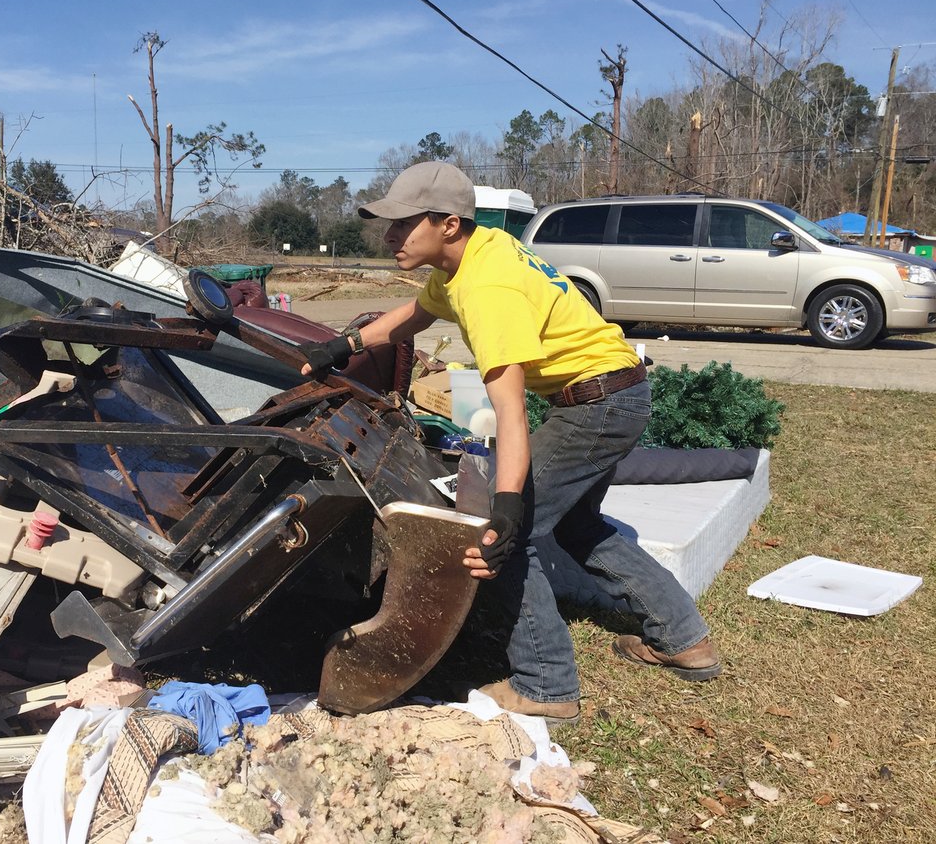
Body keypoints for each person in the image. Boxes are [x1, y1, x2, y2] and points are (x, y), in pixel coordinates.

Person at [300, 161, 720, 724]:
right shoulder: (476, 252)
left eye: (403, 224)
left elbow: (510, 414)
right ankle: (684, 638)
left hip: (596, 405)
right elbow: (416, 314)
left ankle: (546, 684)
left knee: (504, 540)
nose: (390, 237)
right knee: (578, 525)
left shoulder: (486, 288)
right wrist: (344, 344)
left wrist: (505, 508)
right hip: (616, 391)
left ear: (448, 224)